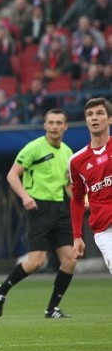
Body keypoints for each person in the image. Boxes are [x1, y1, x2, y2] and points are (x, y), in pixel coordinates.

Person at [0, 108, 76, 319]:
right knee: (37, 261)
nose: (55, 126)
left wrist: (81, 202)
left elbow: (67, 185)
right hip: (39, 208)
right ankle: (1, 291)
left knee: (70, 259)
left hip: (60, 209)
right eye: (51, 122)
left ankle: (51, 308)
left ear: (66, 127)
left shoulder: (68, 153)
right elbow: (12, 175)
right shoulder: (34, 148)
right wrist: (25, 197)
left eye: (59, 123)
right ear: (45, 125)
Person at [70, 98, 112, 274]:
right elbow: (77, 199)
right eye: (90, 114)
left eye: (100, 113)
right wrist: (77, 236)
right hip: (105, 231)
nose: (94, 118)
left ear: (110, 119)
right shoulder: (76, 161)